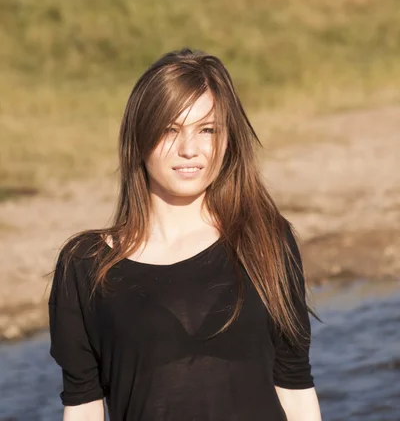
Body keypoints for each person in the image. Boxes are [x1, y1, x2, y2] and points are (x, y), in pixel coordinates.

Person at [48, 47, 322, 421]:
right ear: (139, 137)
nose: (190, 150)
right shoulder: (86, 266)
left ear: (227, 140)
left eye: (206, 130)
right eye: (170, 130)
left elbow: (296, 388)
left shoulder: (266, 241)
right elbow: (83, 407)